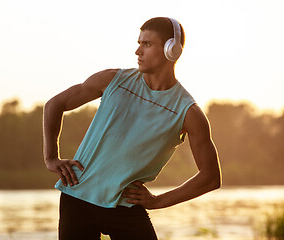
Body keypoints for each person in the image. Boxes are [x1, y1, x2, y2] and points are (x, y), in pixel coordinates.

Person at [43, 17, 222, 240]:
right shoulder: (112, 80)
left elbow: (210, 177)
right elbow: (54, 105)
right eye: (139, 43)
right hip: (77, 196)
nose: (138, 51)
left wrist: (158, 201)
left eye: (147, 44)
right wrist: (51, 157)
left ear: (171, 51)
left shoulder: (188, 113)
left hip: (126, 206)